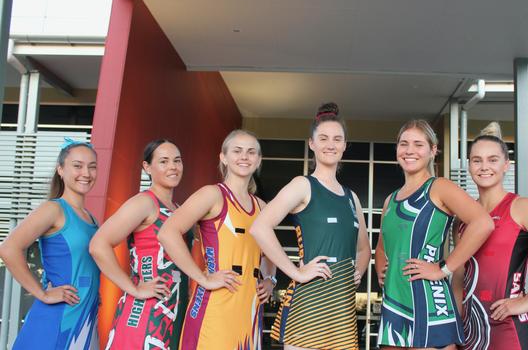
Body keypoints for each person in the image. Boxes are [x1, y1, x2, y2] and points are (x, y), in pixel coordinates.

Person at [250, 102, 371, 350]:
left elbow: (364, 249)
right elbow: (260, 227)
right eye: (323, 138)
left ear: (345, 146)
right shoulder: (302, 185)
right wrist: (295, 273)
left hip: (342, 309)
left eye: (337, 139)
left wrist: (356, 272)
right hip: (309, 304)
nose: (331, 144)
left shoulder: (352, 198)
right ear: (312, 143)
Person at [450, 122, 528, 350]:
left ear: (506, 165)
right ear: (468, 165)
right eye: (477, 160)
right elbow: (458, 276)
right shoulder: (462, 218)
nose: (484, 166)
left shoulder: (521, 207)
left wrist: (527, 301)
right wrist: (455, 327)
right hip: (472, 331)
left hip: (512, 329)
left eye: (493, 160)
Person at [373, 119, 493, 349]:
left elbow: (483, 223)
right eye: (404, 143)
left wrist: (443, 268)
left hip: (430, 302)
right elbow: (382, 246)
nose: (409, 150)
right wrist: (382, 270)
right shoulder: (390, 199)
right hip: (395, 303)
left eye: (418, 144)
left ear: (433, 150)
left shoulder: (439, 187)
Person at [158, 129, 275, 350]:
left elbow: (270, 253)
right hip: (216, 305)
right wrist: (202, 278)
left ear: (258, 160)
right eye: (237, 151)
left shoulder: (262, 207)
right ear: (223, 157)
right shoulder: (212, 194)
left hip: (250, 308)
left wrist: (270, 279)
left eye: (251, 152)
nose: (244, 157)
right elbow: (167, 233)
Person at [0, 138, 100, 349]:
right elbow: (9, 248)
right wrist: (42, 293)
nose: (86, 173)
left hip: (83, 318)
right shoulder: (53, 209)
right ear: (60, 170)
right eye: (77, 166)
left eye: (92, 167)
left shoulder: (90, 219)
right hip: (56, 319)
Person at [89, 139, 189, 349]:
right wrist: (133, 288)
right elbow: (98, 245)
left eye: (177, 161)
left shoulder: (179, 208)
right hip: (145, 312)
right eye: (163, 161)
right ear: (147, 167)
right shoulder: (144, 202)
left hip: (172, 310)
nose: (172, 166)